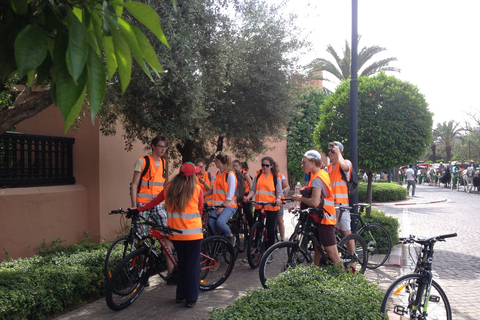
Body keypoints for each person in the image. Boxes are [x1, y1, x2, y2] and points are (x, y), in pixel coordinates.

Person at [134, 162, 204, 308]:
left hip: (176, 235)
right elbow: (200, 209)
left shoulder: (169, 188)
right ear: (192, 176)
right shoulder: (197, 189)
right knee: (192, 266)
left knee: (182, 265)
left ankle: (180, 295)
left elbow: (153, 202)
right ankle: (191, 298)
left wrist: (138, 209)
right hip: (193, 235)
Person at [129, 135, 174, 278]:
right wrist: (133, 206)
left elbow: (164, 185)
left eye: (165, 147)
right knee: (141, 238)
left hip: (159, 205)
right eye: (160, 146)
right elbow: (134, 184)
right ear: (153, 146)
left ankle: (171, 272)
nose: (163, 149)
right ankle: (144, 274)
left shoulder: (164, 162)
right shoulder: (141, 161)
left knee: (167, 234)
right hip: (142, 204)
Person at [291, 150, 340, 267]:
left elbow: (314, 202)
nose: (302, 164)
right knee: (318, 250)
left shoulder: (318, 178)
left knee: (333, 255)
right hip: (320, 218)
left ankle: (347, 281)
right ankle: (316, 273)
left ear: (312, 162)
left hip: (325, 220)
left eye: (304, 162)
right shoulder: (319, 174)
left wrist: (299, 199)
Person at [244, 156, 283, 251]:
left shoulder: (275, 177)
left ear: (271, 166)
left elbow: (279, 192)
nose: (265, 167)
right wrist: (248, 197)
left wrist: (278, 199)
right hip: (259, 205)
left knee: (270, 230)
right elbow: (253, 190)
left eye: (267, 165)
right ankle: (254, 249)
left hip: (271, 207)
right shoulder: (258, 176)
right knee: (256, 229)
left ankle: (269, 251)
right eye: (263, 165)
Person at [203, 152, 237, 245]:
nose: (215, 164)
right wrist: (201, 195)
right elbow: (213, 191)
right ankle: (213, 250)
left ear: (219, 161)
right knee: (210, 224)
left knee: (220, 222)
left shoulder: (230, 175)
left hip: (229, 205)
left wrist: (222, 207)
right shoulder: (218, 173)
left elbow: (230, 194)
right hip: (217, 205)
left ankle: (230, 236)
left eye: (215, 162)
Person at [327, 141, 354, 254]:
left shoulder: (346, 162)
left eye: (333, 150)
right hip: (331, 206)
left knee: (346, 233)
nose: (330, 152)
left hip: (342, 204)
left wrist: (338, 154)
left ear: (340, 152)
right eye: (329, 150)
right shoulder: (328, 167)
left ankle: (353, 259)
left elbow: (344, 167)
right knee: (331, 232)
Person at [276, 172, 290, 242]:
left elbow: (288, 187)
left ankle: (282, 239)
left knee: (280, 220)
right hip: (269, 201)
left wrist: (283, 190)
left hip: (279, 201)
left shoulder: (281, 176)